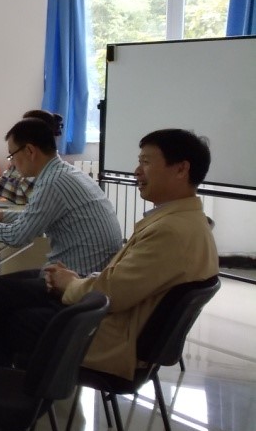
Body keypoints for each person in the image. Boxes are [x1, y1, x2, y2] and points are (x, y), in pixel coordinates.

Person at [38, 130, 218, 380]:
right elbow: (125, 282)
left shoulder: (170, 231)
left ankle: (13, 395)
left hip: (108, 339)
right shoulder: (188, 220)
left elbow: (111, 294)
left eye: (146, 162)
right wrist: (75, 280)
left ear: (181, 169)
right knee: (14, 289)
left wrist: (70, 284)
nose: (137, 171)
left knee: (5, 302)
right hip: (119, 325)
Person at [0, 118, 123, 276]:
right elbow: (39, 214)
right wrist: (2, 215)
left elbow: (16, 236)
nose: (12, 162)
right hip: (95, 273)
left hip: (78, 279)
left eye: (12, 155)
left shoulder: (52, 183)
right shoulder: (66, 172)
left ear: (30, 151)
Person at [0, 110, 63, 205]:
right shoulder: (22, 156)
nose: (19, 134)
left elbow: (22, 196)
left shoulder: (45, 167)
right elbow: (8, 183)